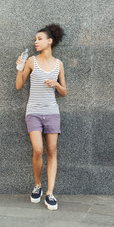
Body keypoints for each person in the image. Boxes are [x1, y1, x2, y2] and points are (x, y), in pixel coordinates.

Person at [15, 23, 67, 211]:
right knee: (38, 150)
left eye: (40, 39)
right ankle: (38, 185)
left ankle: (50, 193)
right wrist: (20, 68)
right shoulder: (32, 62)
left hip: (52, 112)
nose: (36, 42)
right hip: (34, 112)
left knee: (51, 151)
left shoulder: (59, 64)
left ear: (50, 41)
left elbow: (64, 92)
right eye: (35, 39)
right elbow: (19, 86)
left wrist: (56, 84)